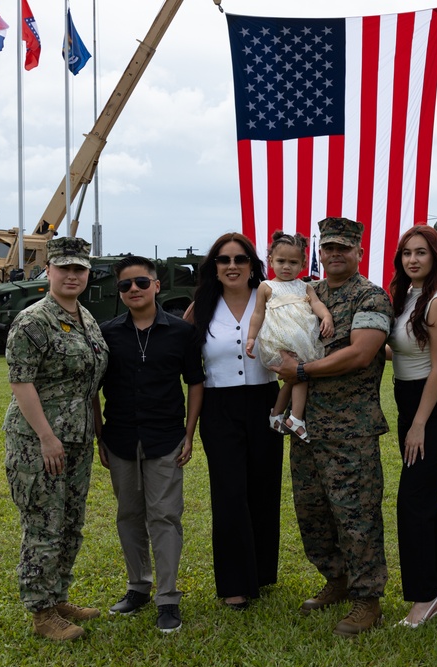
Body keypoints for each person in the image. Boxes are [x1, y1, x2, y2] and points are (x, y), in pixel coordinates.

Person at [271, 217, 393, 637]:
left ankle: (367, 599)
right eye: (329, 248)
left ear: (359, 252)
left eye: (344, 248)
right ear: (319, 253)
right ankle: (336, 580)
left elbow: (360, 354)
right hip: (306, 426)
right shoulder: (307, 293)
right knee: (313, 512)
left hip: (350, 428)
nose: (335, 254)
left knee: (355, 514)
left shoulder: (371, 297)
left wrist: (300, 368)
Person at [2, 237, 108, 641]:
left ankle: (59, 596)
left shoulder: (86, 317)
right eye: (63, 268)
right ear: (49, 271)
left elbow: (90, 384)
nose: (71, 275)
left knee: (70, 523)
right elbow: (21, 383)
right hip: (39, 442)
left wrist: (97, 433)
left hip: (77, 439)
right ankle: (42, 613)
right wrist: (46, 438)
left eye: (79, 269)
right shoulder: (33, 321)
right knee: (44, 525)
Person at [95, 256, 204, 633]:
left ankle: (168, 598)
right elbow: (92, 389)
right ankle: (137, 586)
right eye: (125, 285)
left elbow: (195, 382)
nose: (134, 290)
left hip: (165, 438)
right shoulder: (106, 333)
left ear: (156, 285)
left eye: (141, 282)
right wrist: (99, 436)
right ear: (119, 291)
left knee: (165, 517)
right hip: (120, 437)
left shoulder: (180, 332)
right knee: (128, 516)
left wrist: (189, 433)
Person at [184, 233, 283, 611]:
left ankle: (260, 572)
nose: (232, 266)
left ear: (252, 264)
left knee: (263, 487)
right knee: (228, 493)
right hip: (219, 405)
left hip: (266, 401)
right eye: (223, 260)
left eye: (240, 259)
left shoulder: (271, 296)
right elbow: (184, 351)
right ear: (214, 267)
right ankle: (234, 584)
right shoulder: (203, 305)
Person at [387, 226, 437, 628]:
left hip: (433, 407)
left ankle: (424, 597)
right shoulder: (409, 297)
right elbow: (400, 349)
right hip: (407, 399)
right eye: (406, 253)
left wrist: (419, 424)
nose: (412, 260)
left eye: (421, 253)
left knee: (412, 500)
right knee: (426, 496)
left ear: (435, 256)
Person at [246, 231, 334, 442]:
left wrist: (326, 317)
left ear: (303, 263)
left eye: (293, 262)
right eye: (281, 261)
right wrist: (251, 338)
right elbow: (258, 313)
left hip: (302, 339)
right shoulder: (266, 287)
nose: (287, 266)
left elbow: (316, 304)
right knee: (300, 375)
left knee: (293, 378)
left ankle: (276, 414)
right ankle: (295, 417)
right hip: (280, 340)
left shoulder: (305, 286)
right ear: (270, 261)